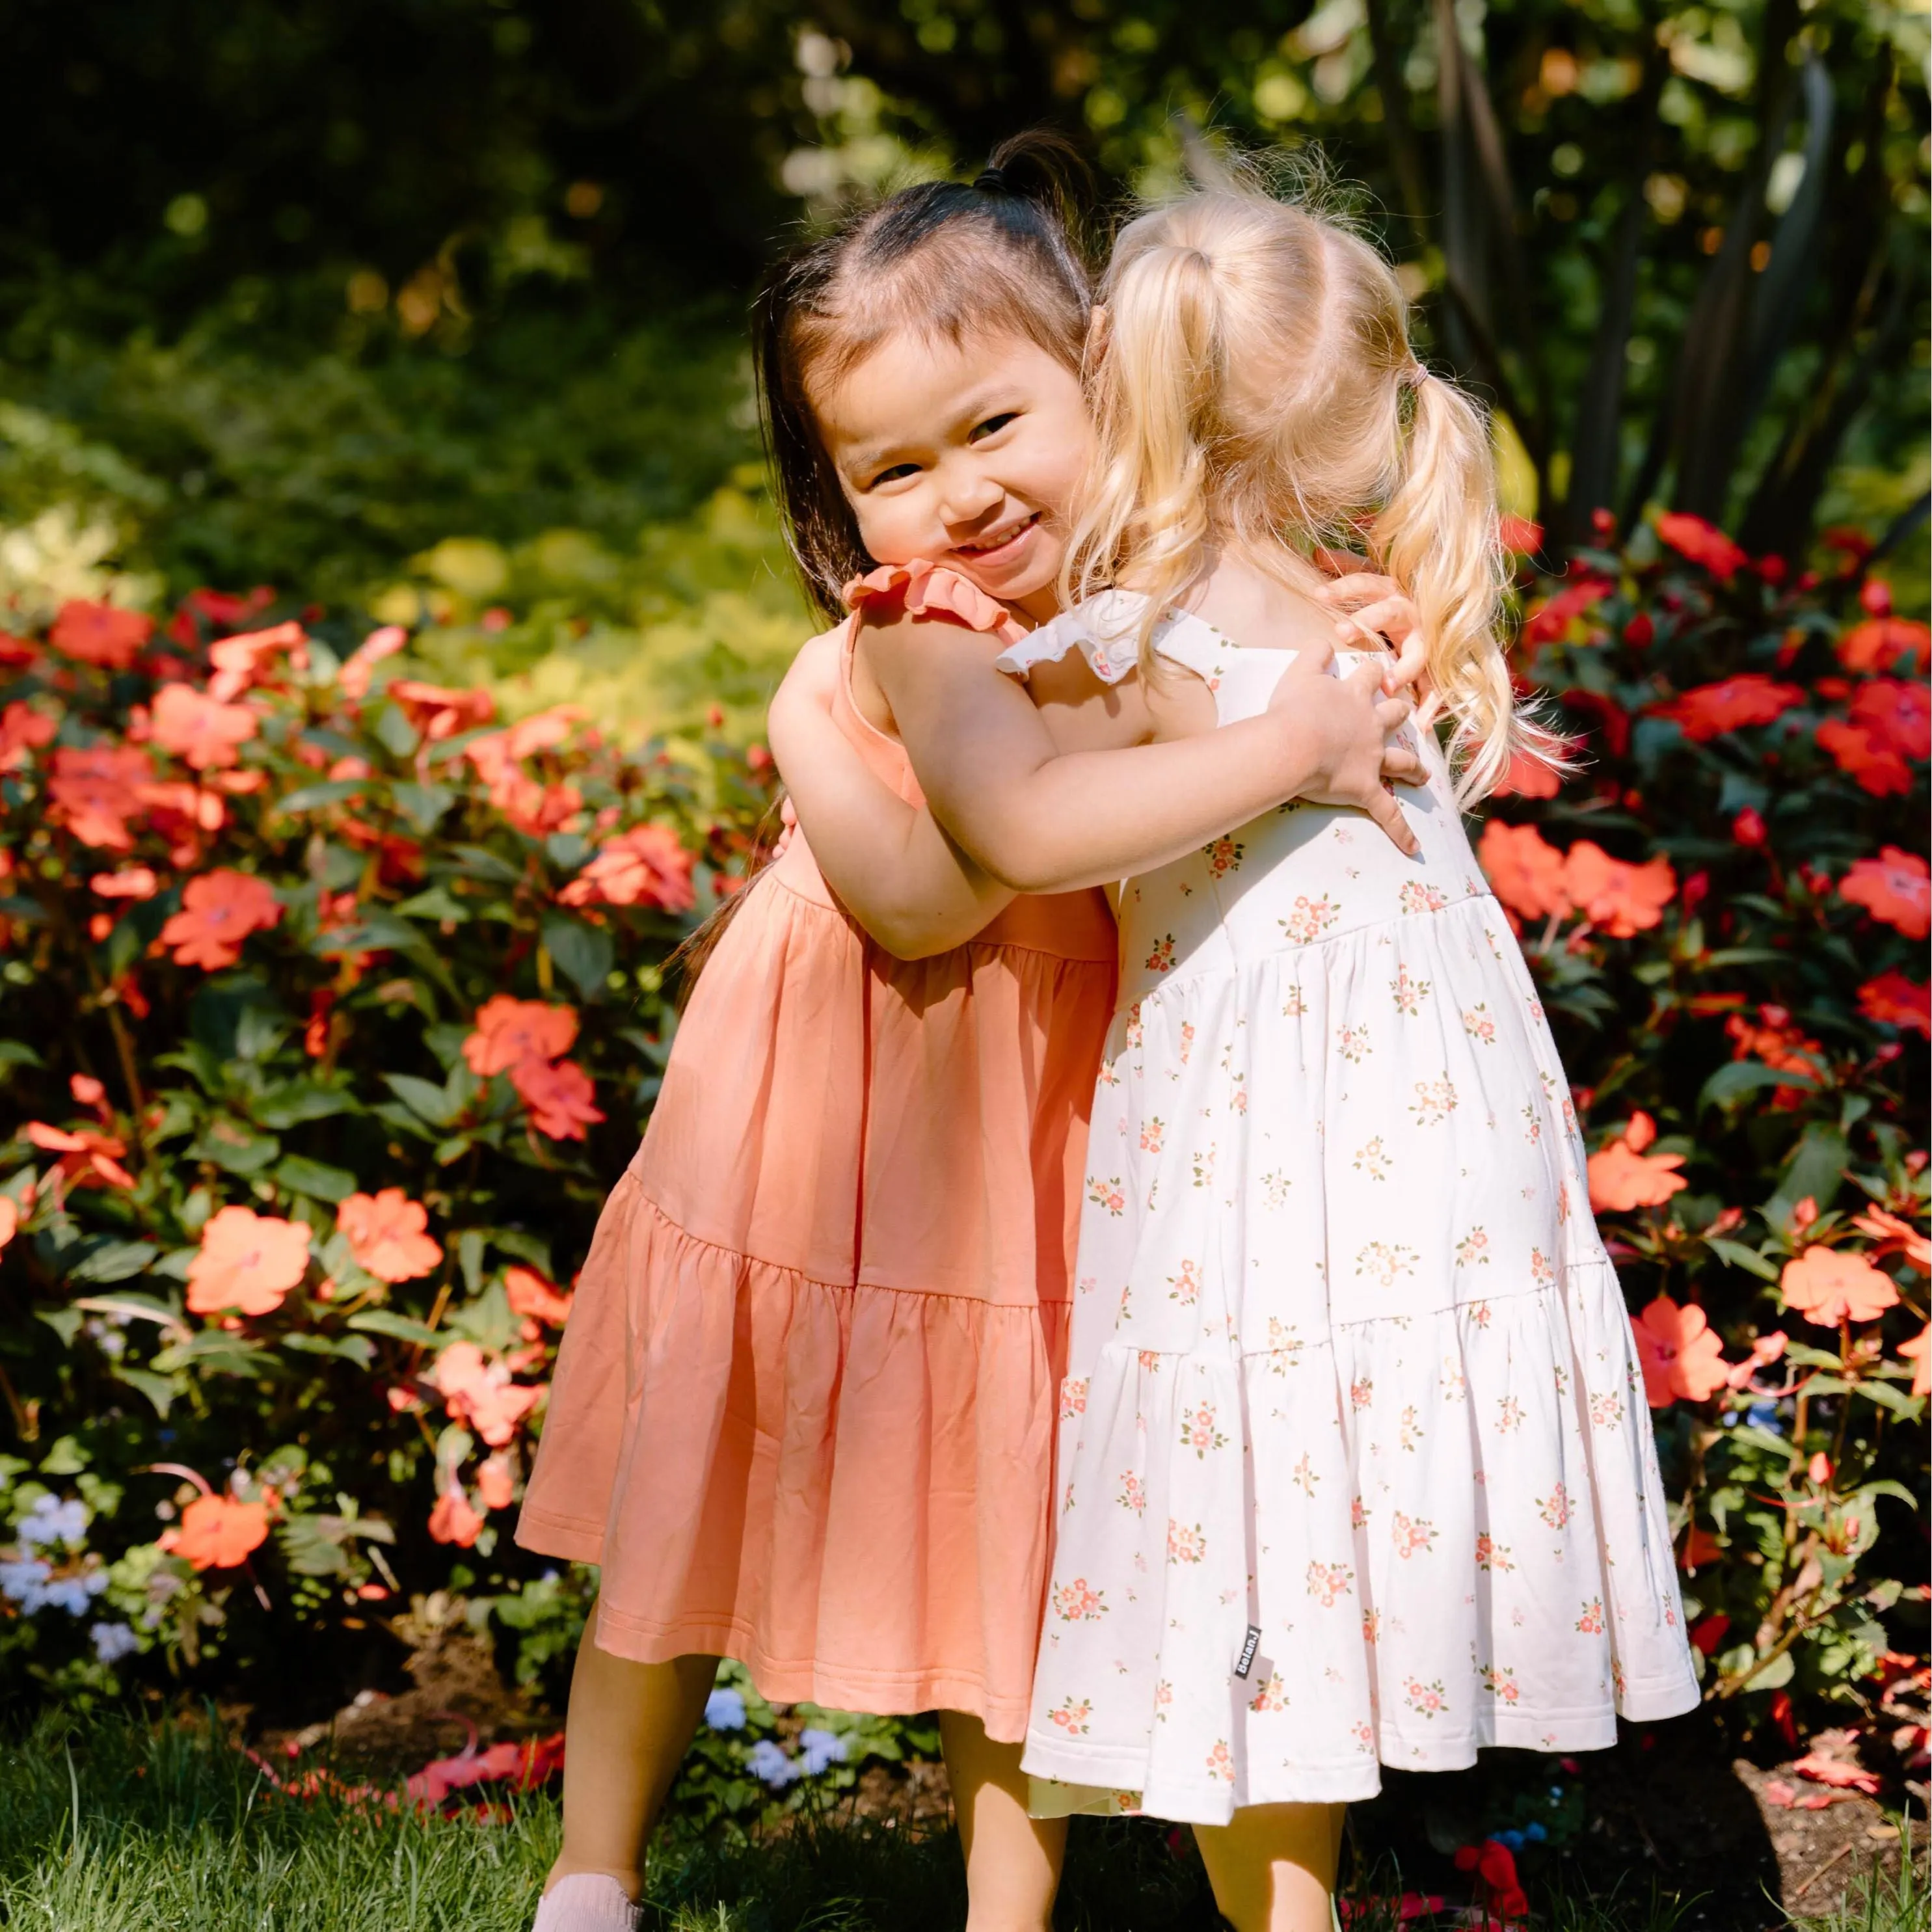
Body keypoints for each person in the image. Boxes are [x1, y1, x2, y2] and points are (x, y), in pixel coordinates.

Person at [518, 136, 1425, 1932]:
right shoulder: (912, 637)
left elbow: (1309, 679)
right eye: (892, 467)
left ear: (1100, 381)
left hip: (1039, 1107)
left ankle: (1004, 1912)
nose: (957, 494)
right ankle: (593, 1870)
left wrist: (1349, 652)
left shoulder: (1156, 593)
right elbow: (939, 900)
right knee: (680, 1500)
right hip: (831, 1101)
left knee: (1009, 1527)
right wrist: (1227, 740)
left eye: (994, 426)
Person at [965, 171, 1699, 1931]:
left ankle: (1285, 1911)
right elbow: (1044, 829)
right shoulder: (1254, 609)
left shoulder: (1183, 616)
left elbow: (1028, 828)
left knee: (1267, 1542)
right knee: (1288, 1539)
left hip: (1291, 1165)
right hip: (1385, 1151)